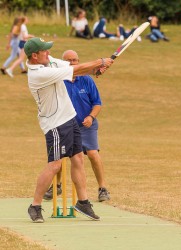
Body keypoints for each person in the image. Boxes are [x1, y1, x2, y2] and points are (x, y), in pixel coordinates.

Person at [24, 37, 113, 223]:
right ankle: (35, 205)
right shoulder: (38, 73)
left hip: (70, 118)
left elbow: (76, 71)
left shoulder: (49, 60)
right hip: (55, 124)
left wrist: (95, 69)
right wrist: (100, 61)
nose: (49, 53)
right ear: (34, 56)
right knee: (55, 165)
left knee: (78, 159)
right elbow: (74, 69)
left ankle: (82, 202)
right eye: (44, 51)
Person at [43, 50, 110, 202]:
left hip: (86, 124)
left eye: (75, 60)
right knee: (60, 156)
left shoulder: (87, 80)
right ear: (62, 63)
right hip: (64, 124)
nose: (73, 63)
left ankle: (102, 188)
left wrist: (91, 117)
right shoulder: (59, 80)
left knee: (93, 154)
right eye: (69, 61)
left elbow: (97, 103)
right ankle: (57, 185)